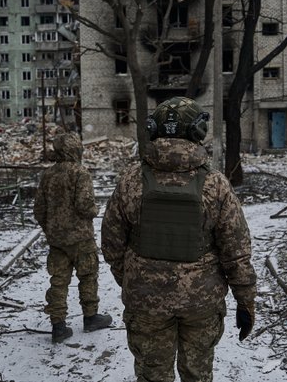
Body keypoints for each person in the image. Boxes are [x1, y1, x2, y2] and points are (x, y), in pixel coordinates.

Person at [102, 97, 257, 382]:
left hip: (145, 301)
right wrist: (245, 301)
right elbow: (236, 252)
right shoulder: (216, 184)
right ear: (197, 132)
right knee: (197, 375)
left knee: (152, 376)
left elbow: (111, 243)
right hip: (202, 302)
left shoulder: (130, 181)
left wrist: (134, 279)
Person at [33, 133, 113, 343]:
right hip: (81, 238)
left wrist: (50, 229)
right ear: (75, 149)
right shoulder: (80, 173)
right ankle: (90, 317)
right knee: (88, 276)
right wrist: (95, 210)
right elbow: (85, 206)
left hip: (57, 240)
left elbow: (39, 210)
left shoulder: (47, 175)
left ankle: (58, 326)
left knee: (58, 280)